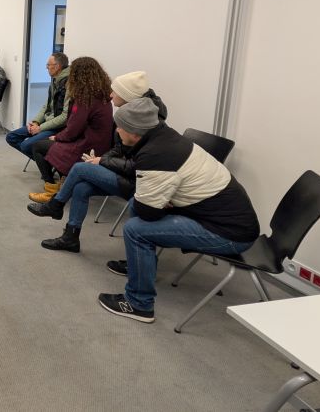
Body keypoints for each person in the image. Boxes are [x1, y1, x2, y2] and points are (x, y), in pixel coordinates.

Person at [96, 98, 260, 324]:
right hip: (216, 214)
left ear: (134, 132)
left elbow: (148, 213)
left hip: (229, 233)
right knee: (136, 204)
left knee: (135, 230)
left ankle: (139, 304)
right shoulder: (164, 136)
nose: (117, 130)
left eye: (120, 127)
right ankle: (140, 266)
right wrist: (160, 201)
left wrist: (159, 202)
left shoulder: (155, 154)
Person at [27, 70, 168, 252]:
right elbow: (119, 148)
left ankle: (56, 204)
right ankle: (70, 238)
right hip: (125, 173)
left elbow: (140, 165)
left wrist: (103, 162)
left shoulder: (148, 122)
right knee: (81, 188)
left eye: (115, 91)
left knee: (79, 168)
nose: (110, 95)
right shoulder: (132, 114)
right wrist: (104, 158)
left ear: (127, 95)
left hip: (139, 182)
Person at [27, 57, 114, 206]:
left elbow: (72, 130)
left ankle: (51, 189)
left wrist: (57, 137)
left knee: (38, 146)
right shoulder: (101, 94)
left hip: (87, 147)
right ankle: (64, 182)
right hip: (99, 144)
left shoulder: (85, 99)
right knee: (49, 145)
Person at [6, 53, 70, 157]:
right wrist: (36, 122)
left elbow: (64, 117)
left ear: (57, 66)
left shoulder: (69, 84)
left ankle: (49, 162)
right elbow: (46, 106)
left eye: (48, 65)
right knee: (11, 137)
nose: (46, 67)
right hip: (47, 122)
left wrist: (40, 128)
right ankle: (46, 161)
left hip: (58, 127)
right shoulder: (55, 81)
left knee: (26, 146)